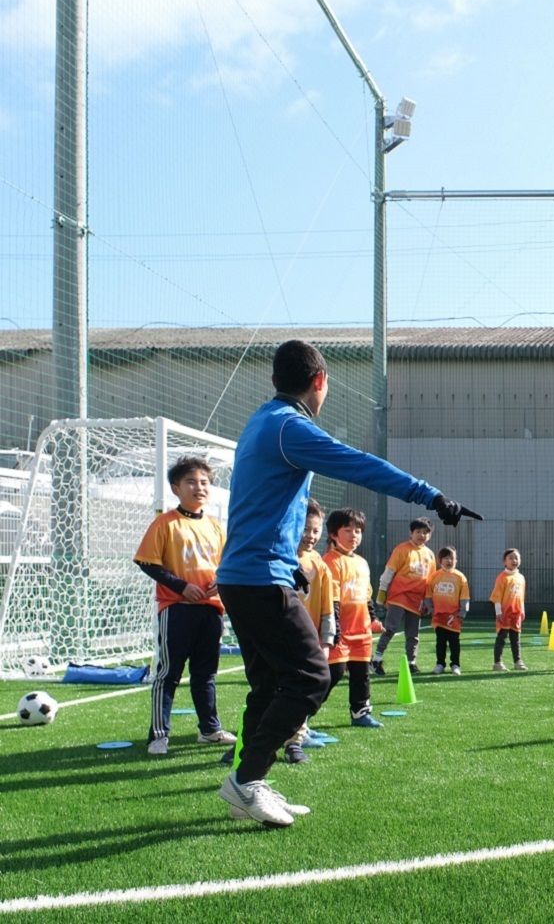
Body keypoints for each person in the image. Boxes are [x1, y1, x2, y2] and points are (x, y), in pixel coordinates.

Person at [215, 339, 481, 827]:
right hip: (258, 577)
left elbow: (263, 505)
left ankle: (247, 784)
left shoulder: (259, 422)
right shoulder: (288, 427)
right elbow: (359, 464)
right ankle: (245, 781)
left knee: (268, 685)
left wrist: (289, 558)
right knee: (313, 676)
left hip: (245, 574)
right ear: (319, 381)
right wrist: (431, 496)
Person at [134, 456, 237, 756]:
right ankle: (158, 734)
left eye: (204, 482)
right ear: (176, 488)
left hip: (211, 609)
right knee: (168, 673)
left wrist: (222, 581)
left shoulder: (216, 527)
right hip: (176, 608)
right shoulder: (165, 523)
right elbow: (147, 562)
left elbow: (226, 563)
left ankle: (209, 730)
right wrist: (182, 586)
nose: (199, 487)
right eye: (191, 482)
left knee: (205, 674)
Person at [282, 498, 337, 764]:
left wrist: (326, 642)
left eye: (316, 530)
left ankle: (295, 741)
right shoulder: (278, 557)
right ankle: (254, 740)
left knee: (302, 689)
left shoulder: (320, 565)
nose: (310, 535)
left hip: (306, 640)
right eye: (305, 529)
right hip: (277, 636)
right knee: (268, 689)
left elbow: (328, 608)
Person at [322, 507, 382, 728]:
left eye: (358, 530)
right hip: (340, 632)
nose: (354, 535)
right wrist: (335, 632)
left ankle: (360, 712)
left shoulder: (362, 563)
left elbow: (366, 596)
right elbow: (332, 601)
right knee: (332, 674)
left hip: (361, 631)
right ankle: (302, 717)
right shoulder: (330, 561)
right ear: (333, 534)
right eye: (348, 530)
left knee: (361, 674)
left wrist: (373, 619)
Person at [372, 517, 435, 676]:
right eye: (418, 531)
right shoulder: (402, 549)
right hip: (399, 596)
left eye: (425, 532)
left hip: (417, 600)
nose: (422, 535)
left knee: (413, 634)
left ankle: (411, 662)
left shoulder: (430, 555)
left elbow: (430, 581)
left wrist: (428, 601)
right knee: (390, 628)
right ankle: (376, 660)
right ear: (411, 533)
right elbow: (389, 572)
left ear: (430, 535)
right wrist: (381, 594)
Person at [425, 545, 469, 675]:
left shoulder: (460, 577)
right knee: (440, 642)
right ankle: (440, 664)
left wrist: (462, 613)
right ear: (440, 560)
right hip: (439, 616)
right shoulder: (434, 576)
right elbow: (428, 595)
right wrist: (431, 609)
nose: (449, 561)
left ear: (456, 561)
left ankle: (455, 665)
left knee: (454, 642)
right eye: (446, 558)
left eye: (452, 558)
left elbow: (465, 597)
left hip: (454, 617)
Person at [490, 548, 528, 671]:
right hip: (504, 613)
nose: (514, 560)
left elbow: (521, 596)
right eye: (510, 558)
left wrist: (522, 610)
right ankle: (497, 662)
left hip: (516, 614)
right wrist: (498, 612)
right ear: (504, 562)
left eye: (516, 558)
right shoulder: (502, 578)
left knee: (516, 639)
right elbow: (497, 597)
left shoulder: (521, 578)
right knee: (501, 637)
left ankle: (518, 661)